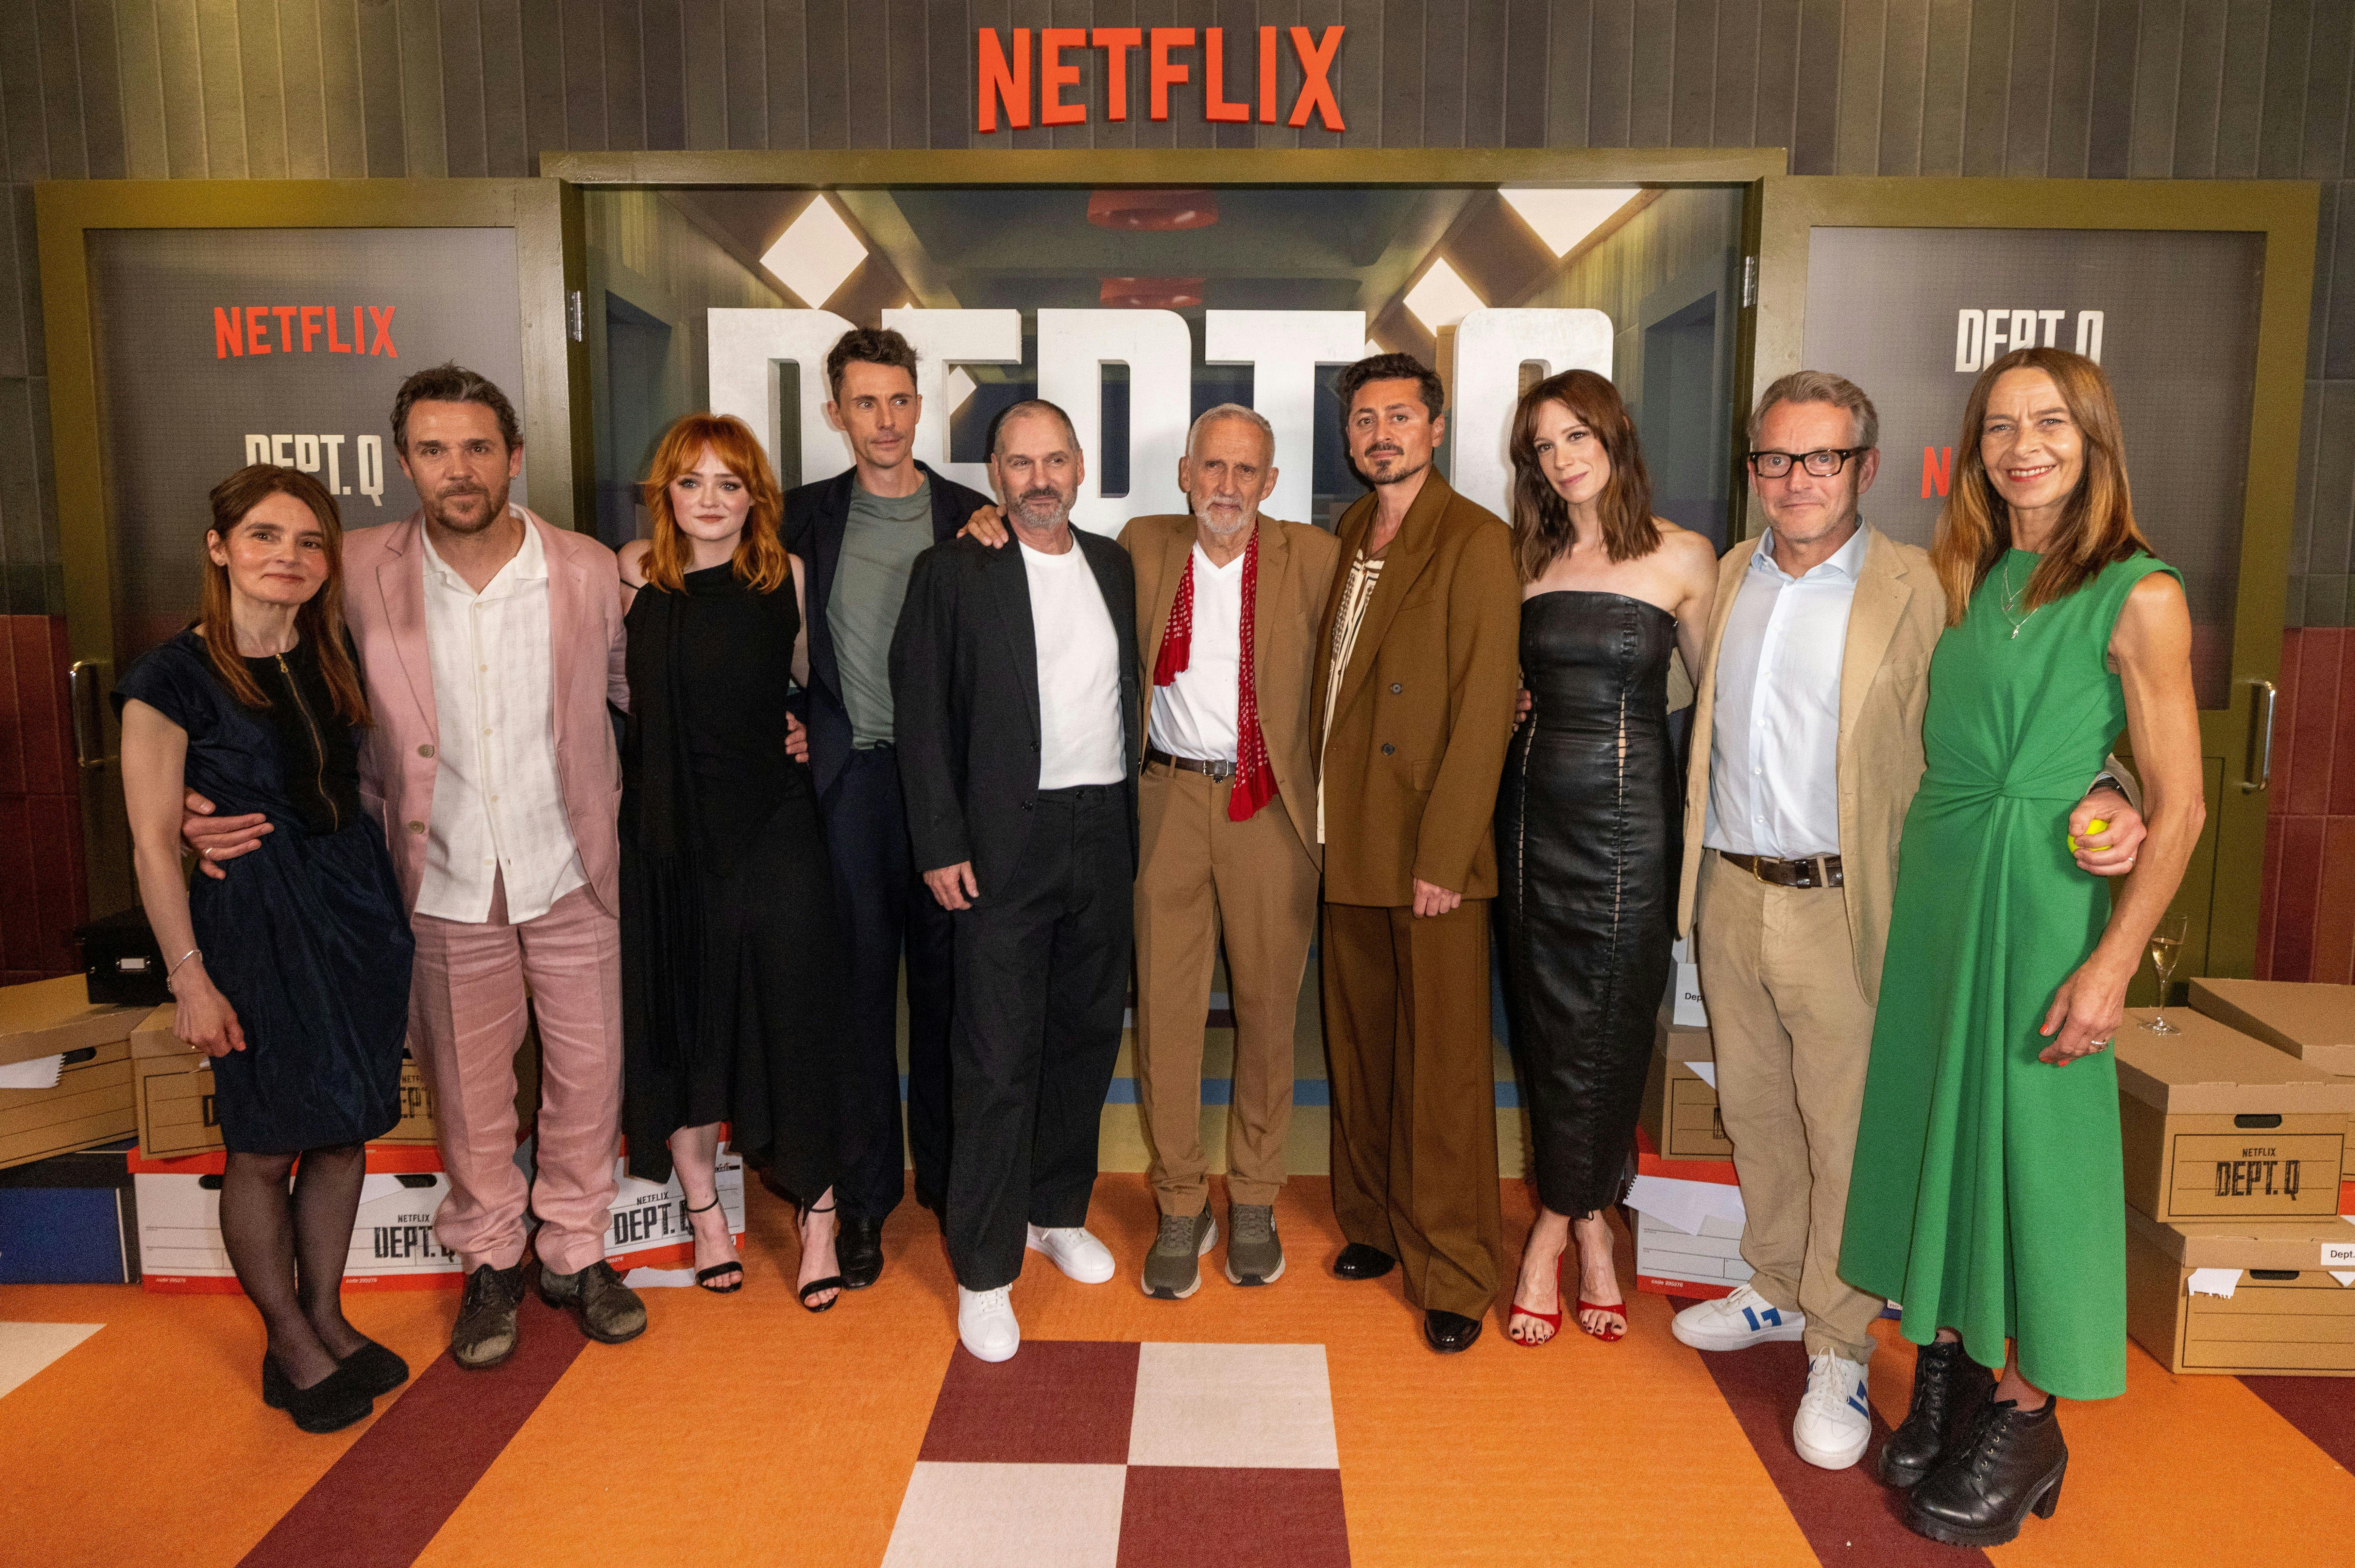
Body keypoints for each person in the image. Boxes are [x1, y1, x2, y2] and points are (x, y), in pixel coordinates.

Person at [1665, 369, 2145, 1475]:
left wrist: (2111, 785)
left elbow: (2015, 715)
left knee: (1844, 1132)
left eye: (1822, 458)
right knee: (1759, 1113)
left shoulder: (1925, 587)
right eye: (1775, 459)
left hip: (1853, 900)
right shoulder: (1730, 575)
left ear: (1866, 469)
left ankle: (1837, 1342)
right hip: (1731, 892)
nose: (1795, 480)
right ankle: (1777, 1287)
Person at [188, 363, 645, 1367]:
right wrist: (190, 792)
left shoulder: (585, 569)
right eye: (434, 450)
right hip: (433, 881)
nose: (458, 469)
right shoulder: (348, 567)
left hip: (573, 871)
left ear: (514, 458)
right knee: (472, 1094)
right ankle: (491, 1263)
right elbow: (245, 665)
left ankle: (573, 1253)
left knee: (588, 1079)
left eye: (478, 447)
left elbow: (641, 692)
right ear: (404, 464)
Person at [1840, 347, 2201, 1546]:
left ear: (2094, 439)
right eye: (1998, 426)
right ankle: (1944, 1354)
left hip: (2042, 903)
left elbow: (2181, 800)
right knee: (1941, 1123)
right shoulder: (1980, 571)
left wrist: (2109, 964)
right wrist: (2102, 785)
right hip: (1946, 879)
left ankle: (2029, 1407)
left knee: (2036, 1152)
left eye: (2048, 423)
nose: (2021, 447)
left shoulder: (2137, 591)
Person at [957, 405, 1344, 1299]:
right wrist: (982, 521)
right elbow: (1037, 552)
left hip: (1266, 808)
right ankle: (1179, 1202)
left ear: (1271, 484)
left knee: (1266, 1014)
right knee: (1164, 1016)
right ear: (1183, 472)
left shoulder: (1312, 559)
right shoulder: (1137, 546)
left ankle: (1250, 1195)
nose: (1226, 487)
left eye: (1246, 471)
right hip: (1161, 802)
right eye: (1212, 467)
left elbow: (1370, 655)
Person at [118, 465, 414, 1433]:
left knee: (342, 1130)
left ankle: (327, 1316)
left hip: (354, 910)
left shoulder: (332, 654)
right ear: (219, 548)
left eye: (309, 543)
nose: (288, 558)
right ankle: (286, 1341)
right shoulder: (171, 679)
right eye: (265, 537)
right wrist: (190, 980)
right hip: (253, 924)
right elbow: (153, 843)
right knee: (263, 1143)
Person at [890, 399, 1139, 1362]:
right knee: (993, 1058)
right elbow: (920, 717)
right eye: (1019, 463)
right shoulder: (952, 571)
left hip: (1103, 829)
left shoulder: (1113, 565)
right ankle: (985, 1270)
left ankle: (1053, 1212)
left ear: (1080, 468)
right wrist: (940, 841)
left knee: (1081, 1037)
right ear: (994, 474)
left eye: (1054, 461)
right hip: (1000, 841)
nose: (1039, 479)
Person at [1495, 371, 1716, 1347]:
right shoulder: (1524, 563)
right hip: (1532, 821)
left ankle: (1561, 1224)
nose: (1562, 458)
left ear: (1615, 437)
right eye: (1542, 446)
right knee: (1547, 1030)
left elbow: (1713, 713)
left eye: (1576, 435)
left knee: (1612, 1031)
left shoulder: (1683, 555)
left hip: (1633, 828)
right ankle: (1584, 1224)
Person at [1312, 352, 1521, 1354]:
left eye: (1400, 416)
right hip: (1344, 834)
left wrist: (1447, 853)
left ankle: (1455, 1270)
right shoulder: (1349, 532)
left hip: (1428, 851)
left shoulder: (1476, 541)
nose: (1380, 434)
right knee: (1360, 1052)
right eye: (1364, 420)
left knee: (1438, 1075)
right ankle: (1376, 1225)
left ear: (1436, 429)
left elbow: (1487, 708)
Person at [618, 413, 849, 1308]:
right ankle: (706, 1212)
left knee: (796, 1014)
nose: (709, 500)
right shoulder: (629, 574)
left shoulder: (783, 577)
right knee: (687, 1022)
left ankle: (817, 1212)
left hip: (773, 831)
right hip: (669, 839)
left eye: (729, 483)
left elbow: (818, 690)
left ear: (754, 496)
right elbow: (604, 686)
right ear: (665, 493)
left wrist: (803, 734)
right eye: (691, 482)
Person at [782, 328, 994, 1286]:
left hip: (945, 791)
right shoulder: (794, 521)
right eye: (862, 403)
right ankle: (865, 1204)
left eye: (898, 401)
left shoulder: (974, 517)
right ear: (835, 414)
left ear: (922, 405)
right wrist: (784, 720)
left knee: (954, 1001)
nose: (883, 420)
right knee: (859, 1006)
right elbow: (736, 627)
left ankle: (953, 1190)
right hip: (853, 789)